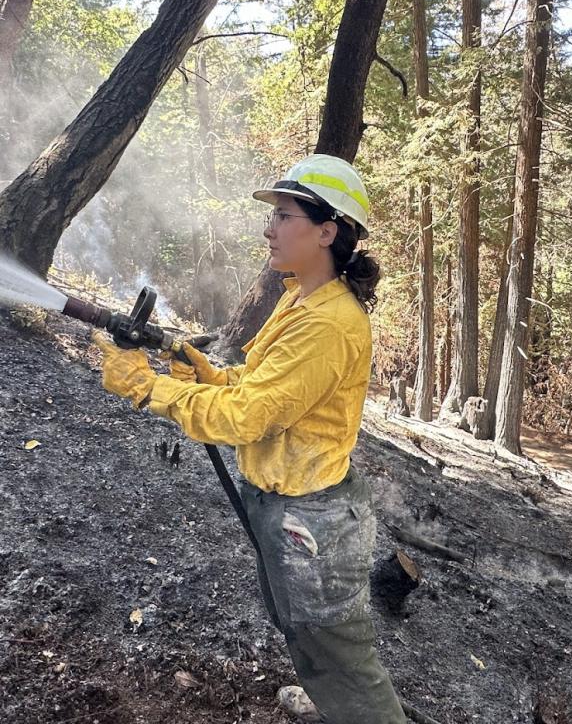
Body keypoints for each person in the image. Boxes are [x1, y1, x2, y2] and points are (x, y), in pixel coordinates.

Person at [94, 154, 407, 724]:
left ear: (326, 231)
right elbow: (264, 387)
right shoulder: (300, 298)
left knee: (344, 655)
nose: (269, 228)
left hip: (314, 519)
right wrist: (210, 374)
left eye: (284, 216)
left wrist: (147, 389)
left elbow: (248, 418)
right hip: (285, 502)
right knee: (298, 623)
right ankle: (329, 701)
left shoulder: (330, 322)